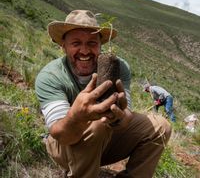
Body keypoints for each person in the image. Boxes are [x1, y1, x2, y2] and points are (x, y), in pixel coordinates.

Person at [35, 10, 172, 178]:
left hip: (103, 142)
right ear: (63, 45)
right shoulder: (50, 76)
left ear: (101, 45)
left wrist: (119, 118)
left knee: (160, 127)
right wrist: (77, 116)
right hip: (65, 146)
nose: (84, 51)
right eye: (76, 43)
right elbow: (61, 134)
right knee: (98, 123)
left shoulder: (118, 67)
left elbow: (126, 115)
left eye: (92, 43)